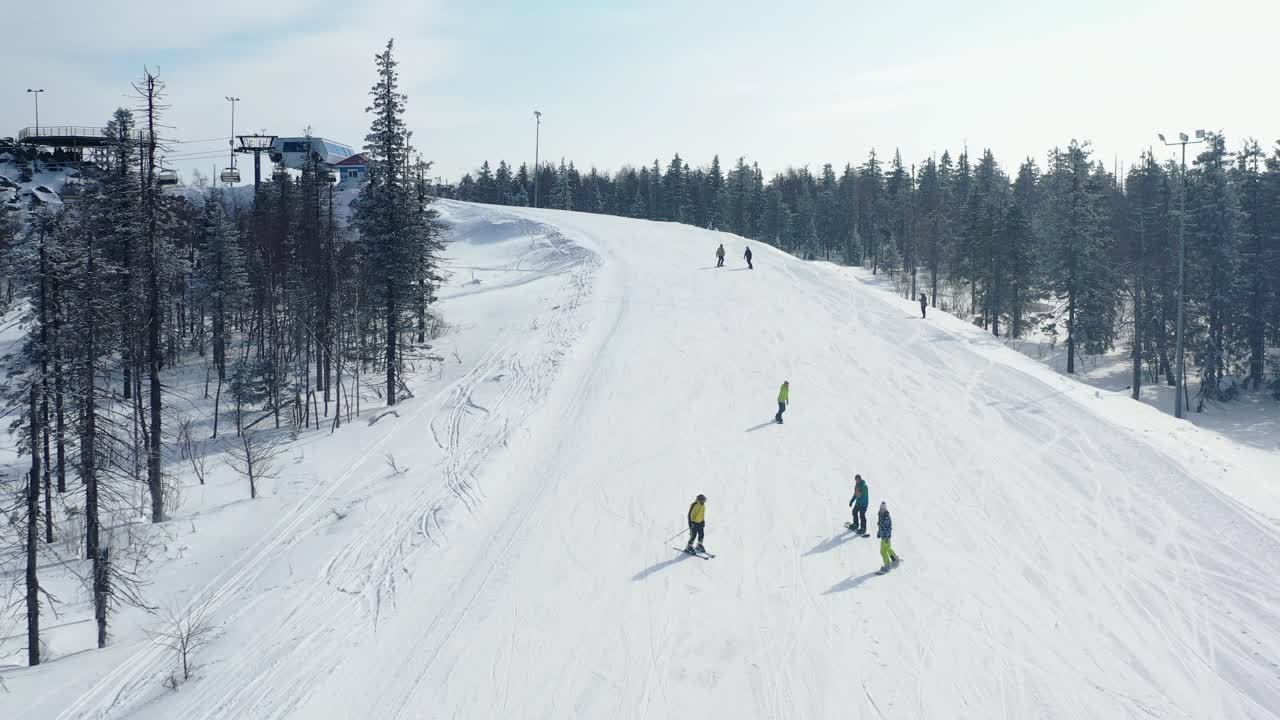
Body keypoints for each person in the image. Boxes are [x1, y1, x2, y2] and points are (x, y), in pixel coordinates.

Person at [875, 501, 900, 572]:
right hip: (884, 536)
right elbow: (880, 524)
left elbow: (888, 528)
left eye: (883, 509)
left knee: (883, 551)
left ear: (885, 509)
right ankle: (895, 558)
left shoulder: (886, 517)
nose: (882, 510)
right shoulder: (880, 514)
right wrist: (879, 532)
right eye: (881, 509)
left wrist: (886, 537)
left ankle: (887, 565)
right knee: (888, 549)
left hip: (886, 537)